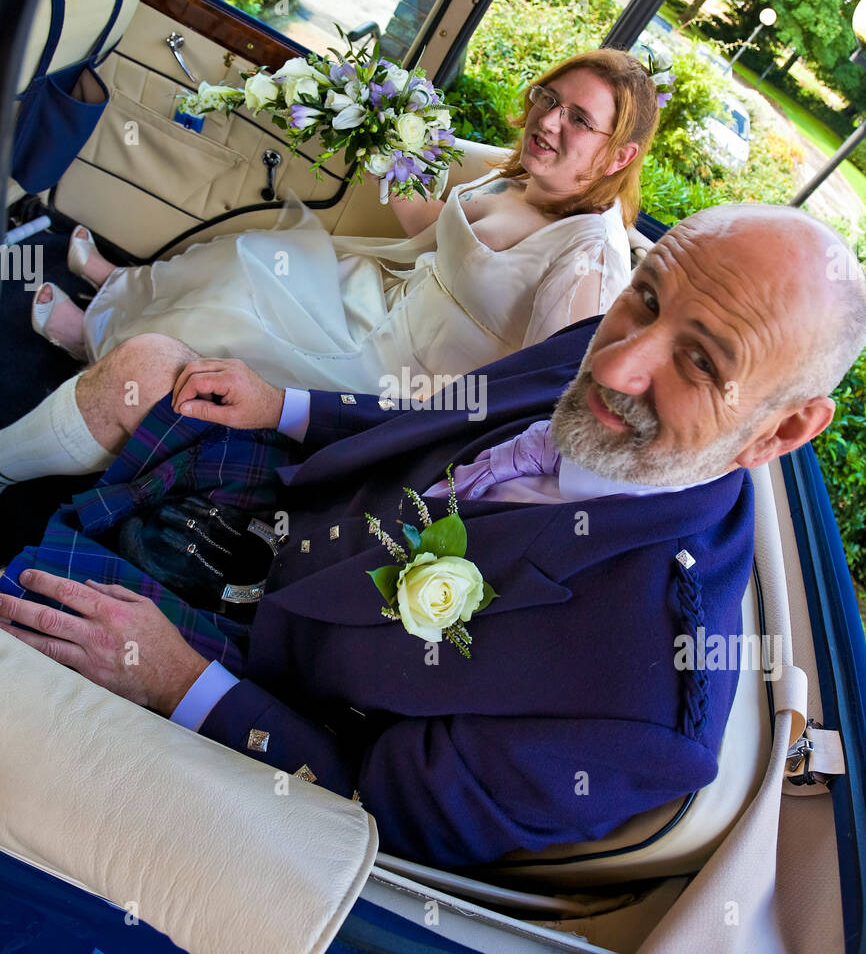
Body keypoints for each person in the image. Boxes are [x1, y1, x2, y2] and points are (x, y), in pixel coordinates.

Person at [2, 206, 863, 868]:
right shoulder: (601, 338)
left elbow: (368, 815)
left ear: (780, 433)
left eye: (704, 363)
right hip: (300, 507)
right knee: (155, 365)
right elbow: (442, 415)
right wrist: (289, 406)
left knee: (24, 626)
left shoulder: (638, 710)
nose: (615, 364)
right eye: (646, 297)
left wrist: (179, 682)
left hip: (257, 678)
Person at [29, 49, 659, 394]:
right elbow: (442, 229)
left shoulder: (589, 259)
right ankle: (117, 290)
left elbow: (536, 389)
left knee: (234, 313)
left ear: (619, 154)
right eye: (549, 99)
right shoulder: (518, 172)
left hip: (398, 376)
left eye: (579, 119)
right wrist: (379, 149)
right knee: (241, 257)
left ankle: (97, 339)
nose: (549, 121)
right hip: (382, 300)